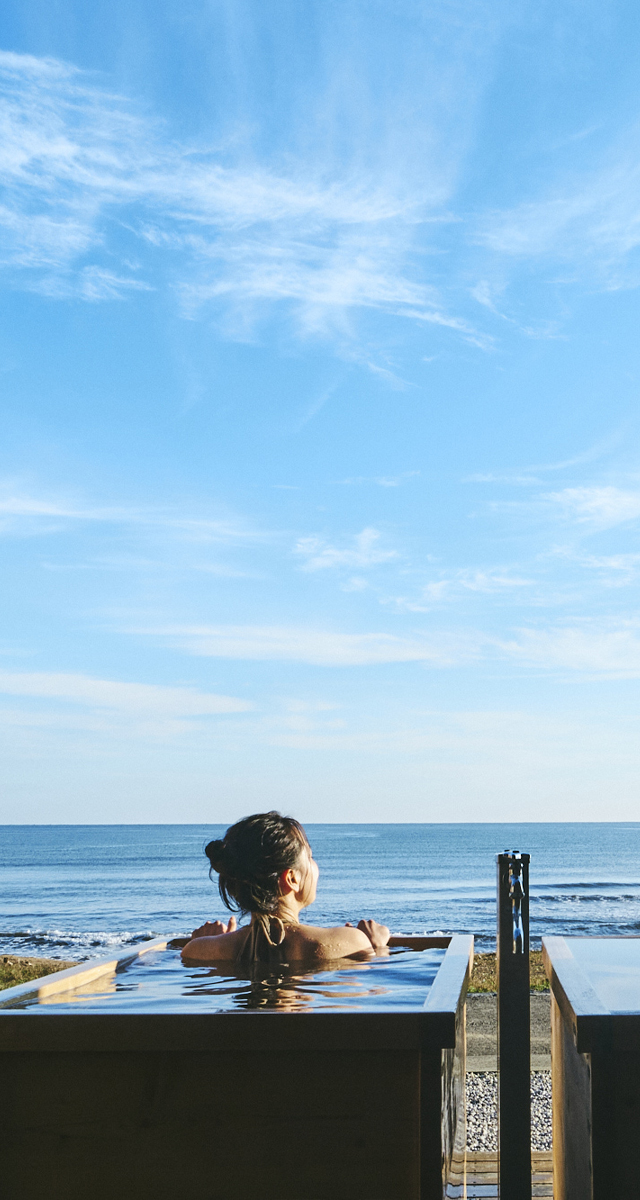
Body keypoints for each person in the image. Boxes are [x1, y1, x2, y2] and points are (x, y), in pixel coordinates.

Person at [181, 811, 390, 965]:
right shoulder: (351, 941)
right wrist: (376, 949)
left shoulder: (199, 950)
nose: (315, 866)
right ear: (291, 878)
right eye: (310, 857)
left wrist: (211, 943)